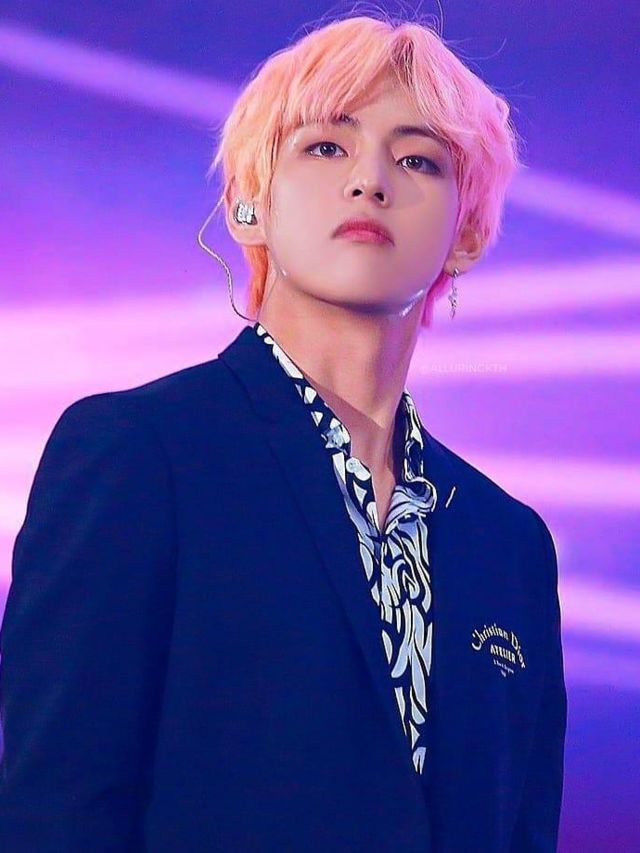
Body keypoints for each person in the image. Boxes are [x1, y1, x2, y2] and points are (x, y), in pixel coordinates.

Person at [0, 11, 567, 852]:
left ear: (470, 232)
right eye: (326, 147)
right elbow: (55, 811)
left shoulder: (510, 542)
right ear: (248, 205)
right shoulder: (138, 455)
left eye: (418, 159)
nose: (370, 180)